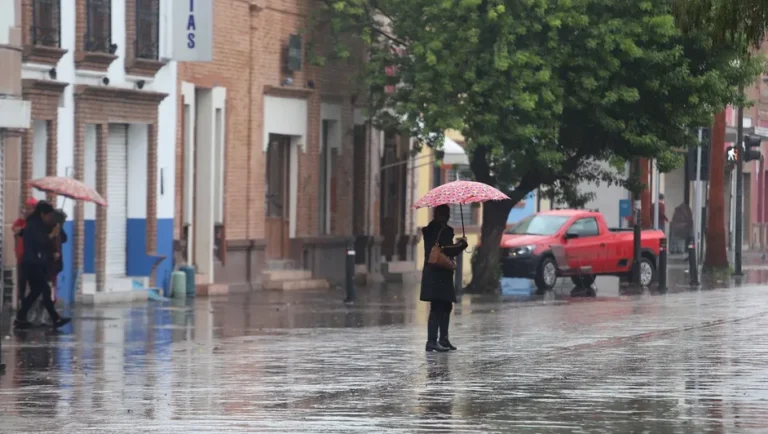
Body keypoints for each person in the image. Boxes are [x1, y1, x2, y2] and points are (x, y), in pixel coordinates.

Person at [14, 201, 70, 329]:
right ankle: (22, 317)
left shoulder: (36, 224)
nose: (50, 217)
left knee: (40, 291)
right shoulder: (34, 225)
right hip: (32, 262)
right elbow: (40, 241)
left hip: (34, 262)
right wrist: (52, 235)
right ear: (43, 214)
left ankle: (22, 317)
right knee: (42, 289)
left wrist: (57, 229)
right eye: (49, 215)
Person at [420, 205, 468, 352]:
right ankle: (433, 341)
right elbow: (447, 249)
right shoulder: (443, 230)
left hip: (433, 272)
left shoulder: (430, 229)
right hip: (440, 273)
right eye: (445, 213)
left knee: (445, 305)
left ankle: (443, 339)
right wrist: (461, 245)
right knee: (438, 307)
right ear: (439, 214)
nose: (447, 216)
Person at [12, 197, 38, 310]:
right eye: (24, 208)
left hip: (33, 259)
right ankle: (23, 307)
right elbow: (15, 230)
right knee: (22, 283)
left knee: (34, 285)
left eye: (28, 208)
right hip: (21, 257)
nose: (25, 210)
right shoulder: (20, 222)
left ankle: (29, 308)